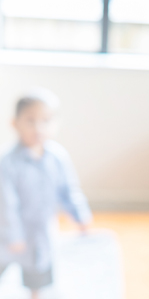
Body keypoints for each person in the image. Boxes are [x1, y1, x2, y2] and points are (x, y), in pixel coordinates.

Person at [0, 88, 92, 299]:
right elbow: (6, 203)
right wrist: (14, 235)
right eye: (30, 121)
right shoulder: (7, 162)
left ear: (56, 123)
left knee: (38, 270)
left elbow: (69, 190)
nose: (38, 127)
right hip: (8, 231)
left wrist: (80, 215)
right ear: (15, 123)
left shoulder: (57, 157)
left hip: (41, 230)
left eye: (46, 120)